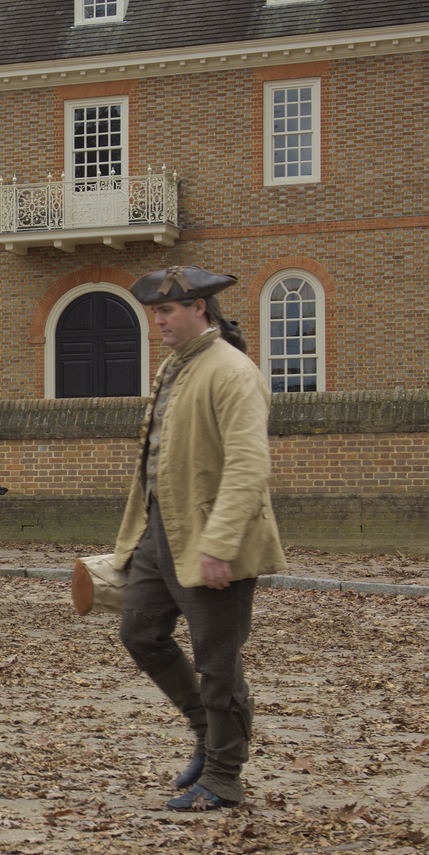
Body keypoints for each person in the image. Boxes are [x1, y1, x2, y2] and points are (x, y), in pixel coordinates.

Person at [111, 265, 284, 811]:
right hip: (161, 530)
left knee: (218, 662)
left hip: (216, 539)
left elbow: (249, 464)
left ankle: (224, 776)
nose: (158, 322)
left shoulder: (232, 371)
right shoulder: (176, 366)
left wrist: (220, 544)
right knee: (140, 633)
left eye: (166, 311)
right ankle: (206, 735)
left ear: (198, 309)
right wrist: (135, 538)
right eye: (155, 312)